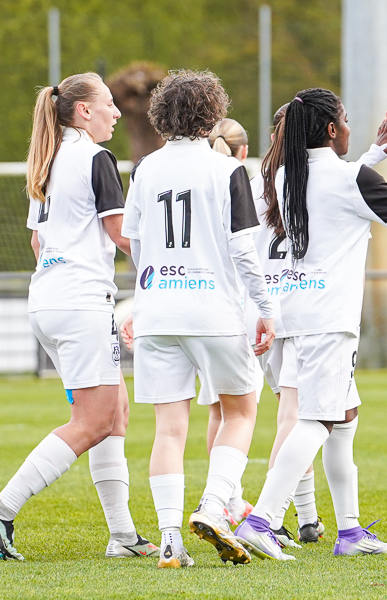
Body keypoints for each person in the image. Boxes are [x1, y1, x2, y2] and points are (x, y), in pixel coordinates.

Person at [234, 88, 387, 560]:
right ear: (332, 129)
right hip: (328, 320)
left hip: (292, 311)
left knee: (344, 420)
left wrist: (376, 152)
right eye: (345, 120)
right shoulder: (347, 177)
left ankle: (351, 532)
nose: (351, 128)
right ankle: (263, 520)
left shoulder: (282, 175)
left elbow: (340, 182)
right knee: (318, 421)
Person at [0, 73, 157, 561]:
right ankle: (2, 508)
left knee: (114, 412)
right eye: (108, 105)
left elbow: (37, 242)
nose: (117, 113)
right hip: (79, 303)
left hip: (49, 300)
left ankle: (122, 536)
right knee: (94, 420)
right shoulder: (96, 158)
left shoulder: (47, 160)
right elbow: (121, 235)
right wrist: (164, 277)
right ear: (83, 112)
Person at [121, 70, 276, 568]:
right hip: (211, 309)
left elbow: (137, 246)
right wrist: (267, 309)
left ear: (162, 114)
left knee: (169, 428)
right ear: (212, 113)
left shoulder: (145, 169)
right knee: (241, 410)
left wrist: (141, 302)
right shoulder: (225, 169)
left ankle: (169, 539)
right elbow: (244, 251)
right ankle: (213, 505)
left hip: (157, 310)